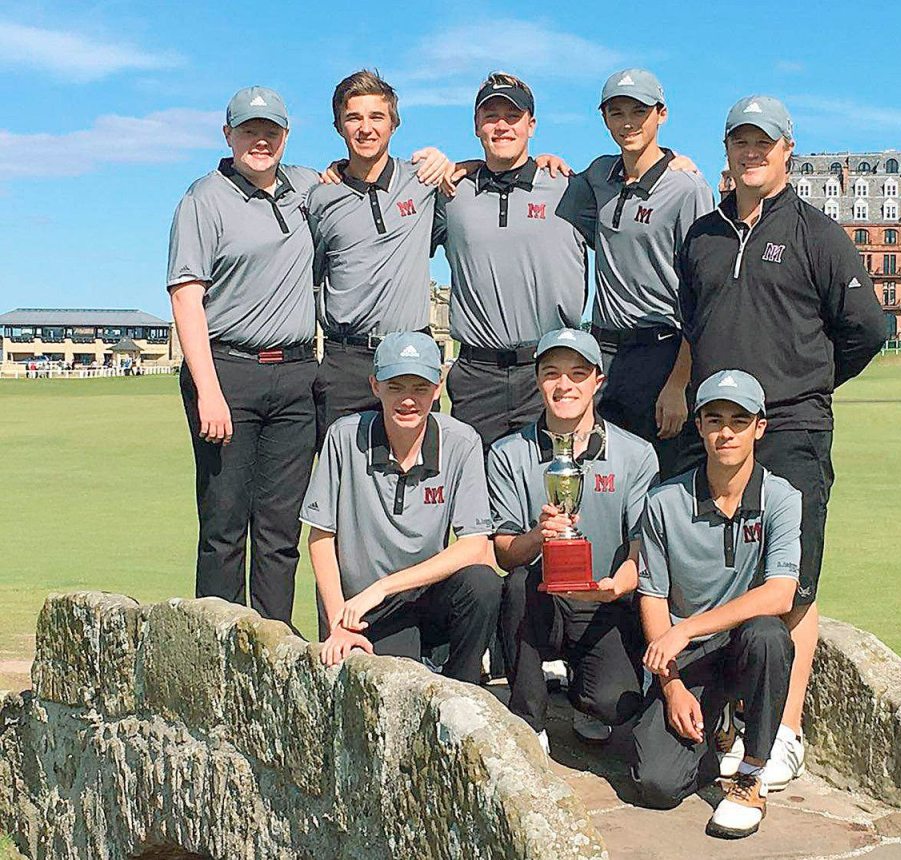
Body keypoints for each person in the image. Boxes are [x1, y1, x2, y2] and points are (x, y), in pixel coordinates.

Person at [675, 95, 888, 790]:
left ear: (786, 149)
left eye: (763, 141)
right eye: (740, 140)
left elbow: (868, 329)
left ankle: (785, 730)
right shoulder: (702, 236)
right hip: (719, 433)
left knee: (791, 584)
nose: (752, 152)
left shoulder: (816, 233)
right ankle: (733, 716)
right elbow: (694, 324)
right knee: (718, 571)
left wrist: (807, 384)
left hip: (791, 429)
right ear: (728, 150)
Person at [167, 86, 320, 625]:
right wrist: (208, 389)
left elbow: (366, 172)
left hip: (298, 374)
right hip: (227, 371)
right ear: (227, 134)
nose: (261, 140)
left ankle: (274, 652)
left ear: (286, 135)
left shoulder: (307, 186)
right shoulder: (203, 199)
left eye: (271, 131)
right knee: (224, 526)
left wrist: (459, 164)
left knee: (280, 531)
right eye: (249, 130)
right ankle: (217, 654)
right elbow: (186, 295)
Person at [633, 369, 801, 839]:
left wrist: (688, 626)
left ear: (759, 428)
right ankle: (720, 728)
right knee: (656, 785)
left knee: (769, 634)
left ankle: (751, 773)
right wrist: (671, 687)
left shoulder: (782, 498)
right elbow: (652, 596)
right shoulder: (664, 502)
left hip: (743, 646)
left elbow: (781, 592)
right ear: (700, 426)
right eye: (714, 419)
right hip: (688, 661)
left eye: (739, 420)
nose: (726, 432)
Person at [487, 328, 659, 749]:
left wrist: (621, 582)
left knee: (614, 705)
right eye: (552, 374)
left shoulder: (636, 454)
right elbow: (506, 554)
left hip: (603, 602)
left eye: (578, 374)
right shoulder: (508, 452)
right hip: (540, 599)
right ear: (538, 380)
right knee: (515, 586)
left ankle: (581, 692)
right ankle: (529, 720)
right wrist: (538, 536)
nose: (564, 385)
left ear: (598, 381)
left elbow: (642, 543)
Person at [300, 332, 501, 684]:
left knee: (483, 583)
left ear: (438, 388)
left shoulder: (462, 441)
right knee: (399, 681)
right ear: (375, 385)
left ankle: (463, 692)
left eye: (420, 388)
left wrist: (386, 586)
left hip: (422, 595)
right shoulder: (343, 437)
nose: (408, 400)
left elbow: (475, 545)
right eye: (396, 387)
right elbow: (320, 538)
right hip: (363, 609)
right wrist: (338, 623)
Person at [557, 68, 715, 479]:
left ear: (660, 115)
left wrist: (680, 383)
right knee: (606, 481)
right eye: (616, 112)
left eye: (638, 112)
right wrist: (544, 159)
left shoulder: (687, 187)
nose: (627, 122)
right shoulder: (599, 175)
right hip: (605, 352)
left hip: (660, 353)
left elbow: (701, 294)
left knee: (660, 483)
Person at [433, 72, 588, 451]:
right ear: (476, 126)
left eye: (513, 116)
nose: (502, 125)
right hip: (475, 376)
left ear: (531, 125)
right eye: (491, 116)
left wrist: (673, 161)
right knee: (476, 498)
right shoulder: (451, 194)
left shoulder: (571, 187)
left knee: (552, 494)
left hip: (550, 371)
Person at [306, 70, 454, 446]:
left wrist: (453, 163)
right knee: (345, 481)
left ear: (394, 124)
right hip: (345, 360)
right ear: (339, 126)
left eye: (376, 117)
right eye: (354, 117)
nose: (365, 128)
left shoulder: (423, 181)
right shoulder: (320, 198)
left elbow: (486, 172)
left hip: (410, 357)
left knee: (416, 475)